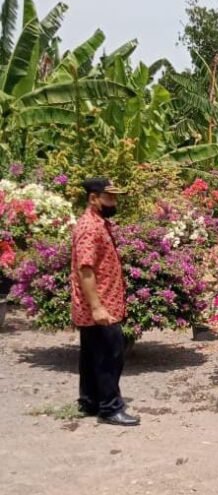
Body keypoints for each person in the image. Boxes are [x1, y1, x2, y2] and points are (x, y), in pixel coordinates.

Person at [71, 178, 139, 427]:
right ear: (93, 199)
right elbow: (86, 270)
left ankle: (90, 402)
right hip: (100, 306)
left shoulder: (97, 223)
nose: (114, 201)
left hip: (97, 305)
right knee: (111, 354)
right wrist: (98, 306)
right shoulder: (90, 227)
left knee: (91, 355)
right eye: (109, 197)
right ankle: (110, 408)